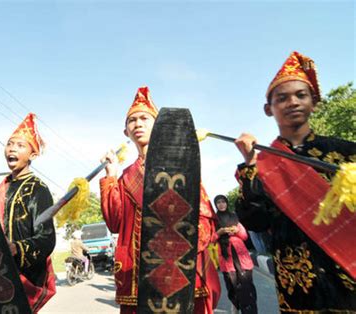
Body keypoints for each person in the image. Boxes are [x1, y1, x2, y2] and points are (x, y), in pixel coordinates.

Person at [234, 51, 356, 312]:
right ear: (269, 109)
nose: (292, 102)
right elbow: (256, 221)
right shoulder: (262, 164)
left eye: (301, 95)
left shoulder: (346, 154)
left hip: (348, 273)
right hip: (298, 284)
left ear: (315, 103)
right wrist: (250, 164)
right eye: (282, 98)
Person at [100, 86, 220, 313]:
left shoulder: (182, 166)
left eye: (144, 118)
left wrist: (185, 250)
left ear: (158, 126)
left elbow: (203, 215)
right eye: (132, 121)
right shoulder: (124, 176)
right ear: (125, 132)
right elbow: (114, 222)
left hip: (181, 269)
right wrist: (111, 176)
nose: (138, 124)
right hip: (139, 272)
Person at [0, 113, 56, 313]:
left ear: (33, 155)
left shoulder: (38, 189)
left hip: (18, 278)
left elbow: (46, 238)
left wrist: (16, 248)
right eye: (9, 144)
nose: (12, 148)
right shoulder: (2, 186)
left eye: (20, 145)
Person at [212, 195, 257, 314]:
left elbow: (245, 236)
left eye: (223, 202)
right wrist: (219, 232)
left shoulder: (234, 217)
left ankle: (249, 311)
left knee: (246, 284)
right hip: (226, 256)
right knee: (232, 285)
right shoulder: (214, 220)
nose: (221, 204)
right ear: (216, 205)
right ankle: (236, 305)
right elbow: (210, 239)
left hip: (241, 255)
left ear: (227, 203)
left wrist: (237, 231)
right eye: (218, 202)